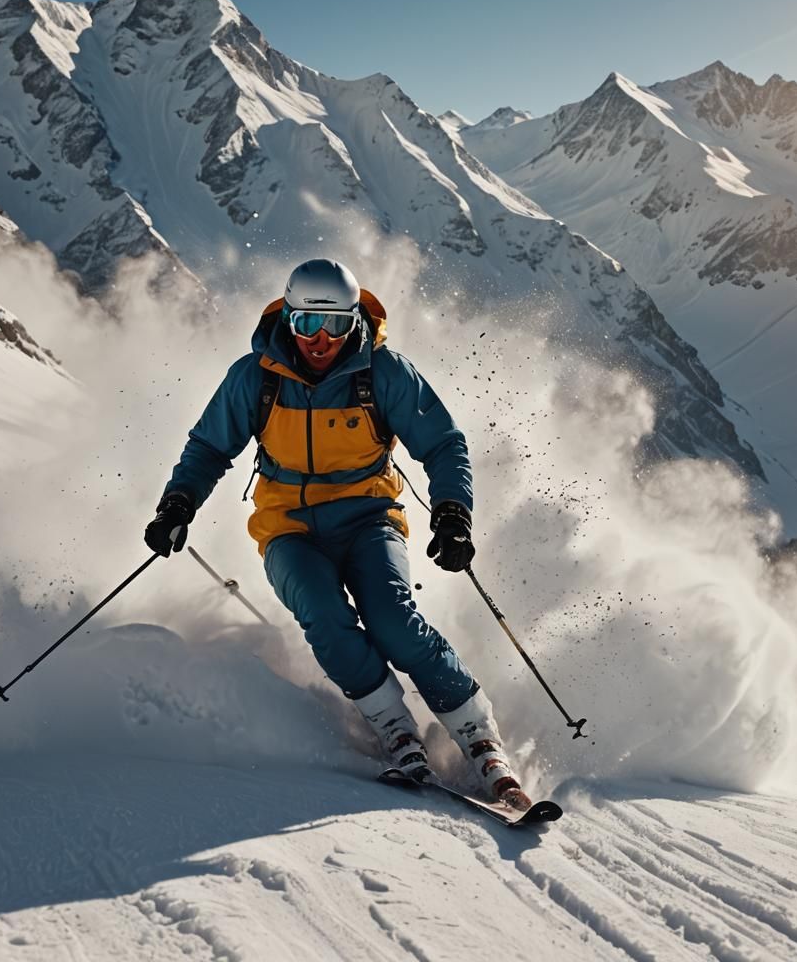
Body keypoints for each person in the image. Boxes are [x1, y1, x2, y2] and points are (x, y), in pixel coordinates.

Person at [145, 259, 530, 809]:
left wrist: (452, 512)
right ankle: (394, 725)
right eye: (307, 324)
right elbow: (209, 447)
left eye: (335, 326)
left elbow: (443, 443)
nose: (320, 340)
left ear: (355, 323)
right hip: (288, 525)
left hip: (369, 516)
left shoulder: (383, 373)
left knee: (393, 619)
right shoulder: (256, 377)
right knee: (325, 617)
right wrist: (177, 504)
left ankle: (477, 735)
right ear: (288, 319)